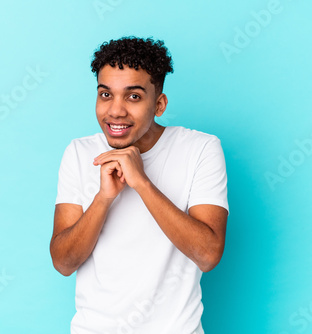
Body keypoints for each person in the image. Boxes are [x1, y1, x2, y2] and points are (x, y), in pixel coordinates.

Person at [50, 36, 229, 334]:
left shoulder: (200, 149)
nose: (116, 111)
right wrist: (103, 198)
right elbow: (63, 262)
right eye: (106, 95)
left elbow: (208, 254)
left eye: (133, 97)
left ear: (159, 104)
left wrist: (142, 183)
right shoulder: (79, 153)